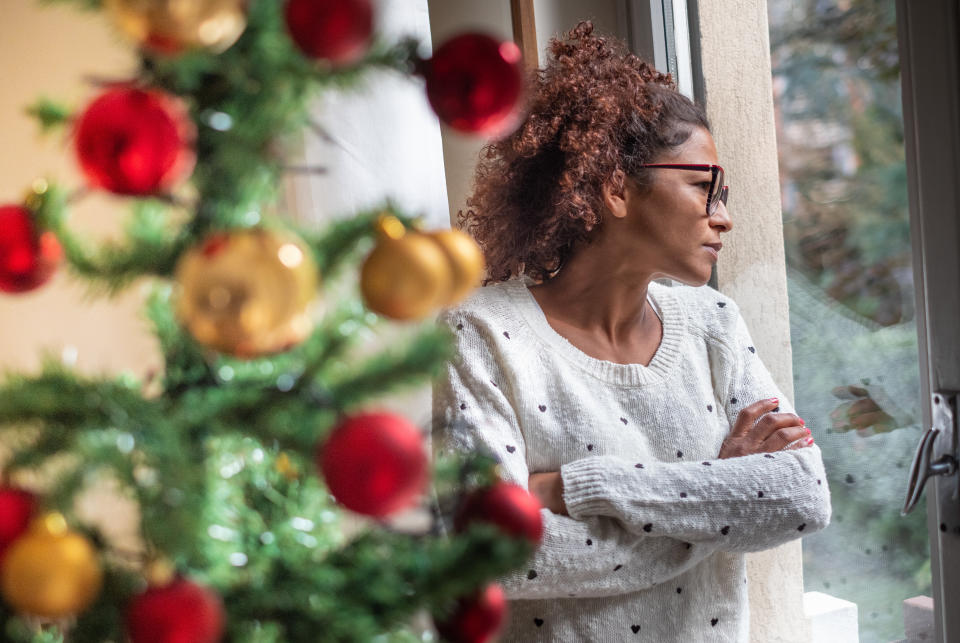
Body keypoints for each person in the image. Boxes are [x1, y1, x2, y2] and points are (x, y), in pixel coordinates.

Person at [431, 22, 831, 643]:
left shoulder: (714, 326)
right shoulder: (483, 334)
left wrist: (578, 487)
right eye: (705, 186)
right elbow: (489, 552)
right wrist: (719, 495)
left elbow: (804, 498)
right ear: (615, 185)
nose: (722, 217)